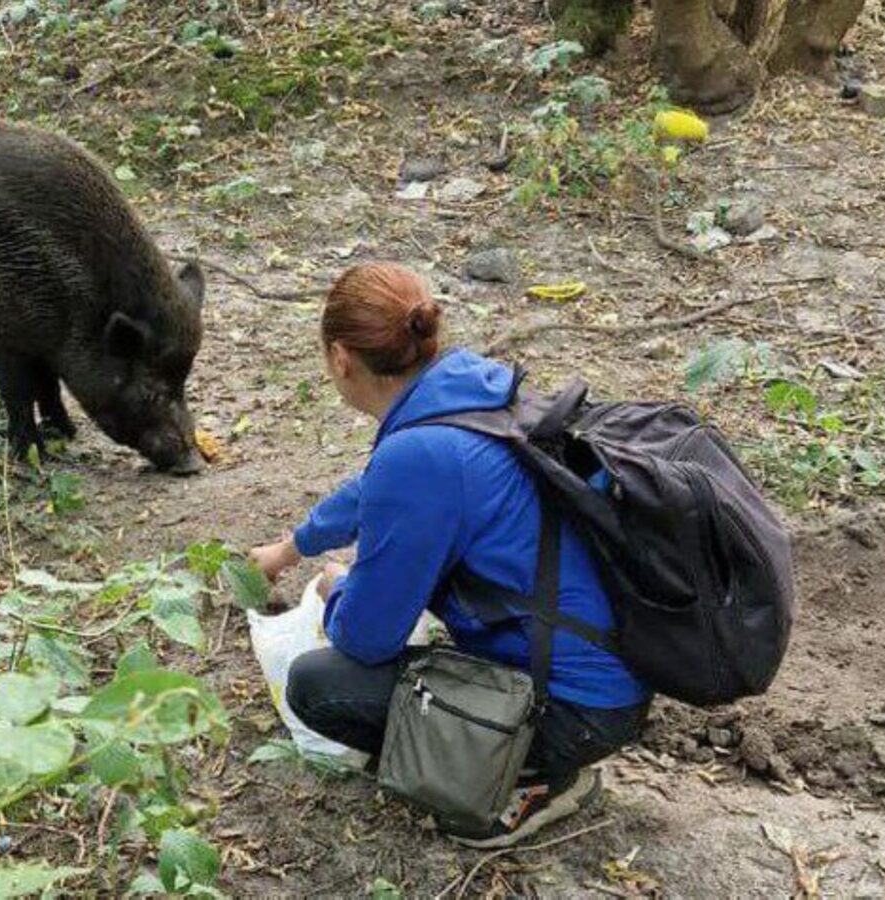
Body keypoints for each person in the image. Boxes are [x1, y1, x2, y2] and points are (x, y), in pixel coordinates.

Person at [248, 261, 651, 849]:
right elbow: (372, 492)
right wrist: (290, 548)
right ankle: (535, 743)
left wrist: (338, 592)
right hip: (614, 669)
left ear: (340, 358)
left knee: (317, 685)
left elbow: (366, 641)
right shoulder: (470, 389)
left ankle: (535, 780)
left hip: (576, 710)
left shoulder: (419, 457)